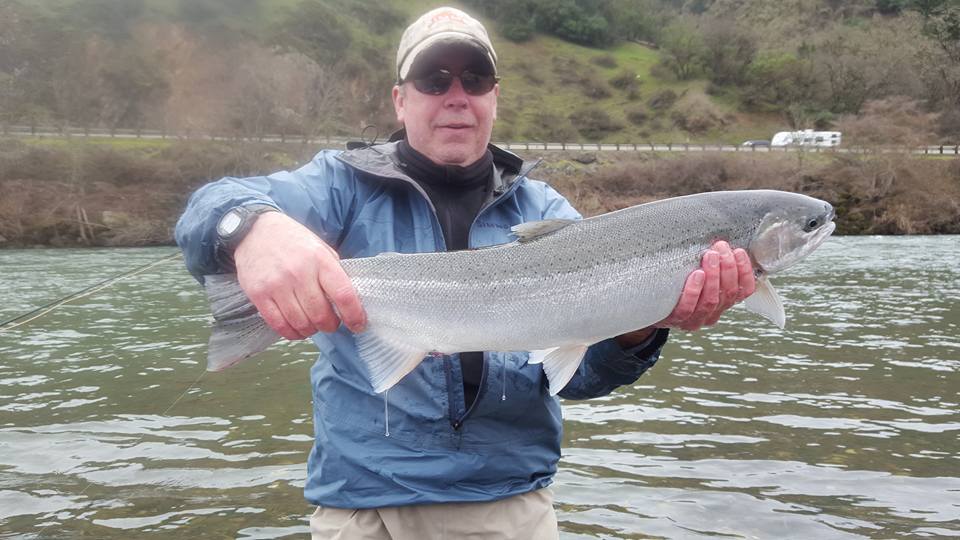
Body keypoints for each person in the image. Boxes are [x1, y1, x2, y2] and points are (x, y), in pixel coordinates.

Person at [175, 6, 755, 539]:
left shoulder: (548, 214)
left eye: (474, 80)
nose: (456, 95)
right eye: (434, 79)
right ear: (401, 100)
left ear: (494, 98)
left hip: (509, 507)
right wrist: (252, 228)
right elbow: (212, 203)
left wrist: (641, 326)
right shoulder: (338, 186)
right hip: (364, 508)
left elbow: (576, 380)